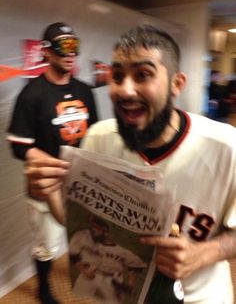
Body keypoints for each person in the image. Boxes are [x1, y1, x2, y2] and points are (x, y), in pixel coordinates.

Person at [25, 25, 236, 303]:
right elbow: (79, 225)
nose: (125, 90)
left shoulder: (227, 146)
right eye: (118, 75)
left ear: (177, 84)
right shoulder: (99, 138)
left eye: (143, 74)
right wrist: (50, 192)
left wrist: (203, 254)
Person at [6, 22, 98, 304]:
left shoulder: (85, 91)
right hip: (46, 187)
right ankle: (43, 287)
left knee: (86, 236)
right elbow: (19, 146)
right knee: (46, 245)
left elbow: (93, 134)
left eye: (75, 46)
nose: (71, 53)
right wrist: (55, 165)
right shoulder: (31, 94)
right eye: (63, 46)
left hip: (81, 185)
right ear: (46, 51)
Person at [69, 215, 146, 304]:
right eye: (92, 227)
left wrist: (131, 283)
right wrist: (82, 269)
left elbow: (135, 265)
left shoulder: (121, 250)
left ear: (105, 232)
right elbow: (73, 254)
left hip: (113, 279)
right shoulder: (85, 237)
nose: (92, 230)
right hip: (89, 272)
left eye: (97, 228)